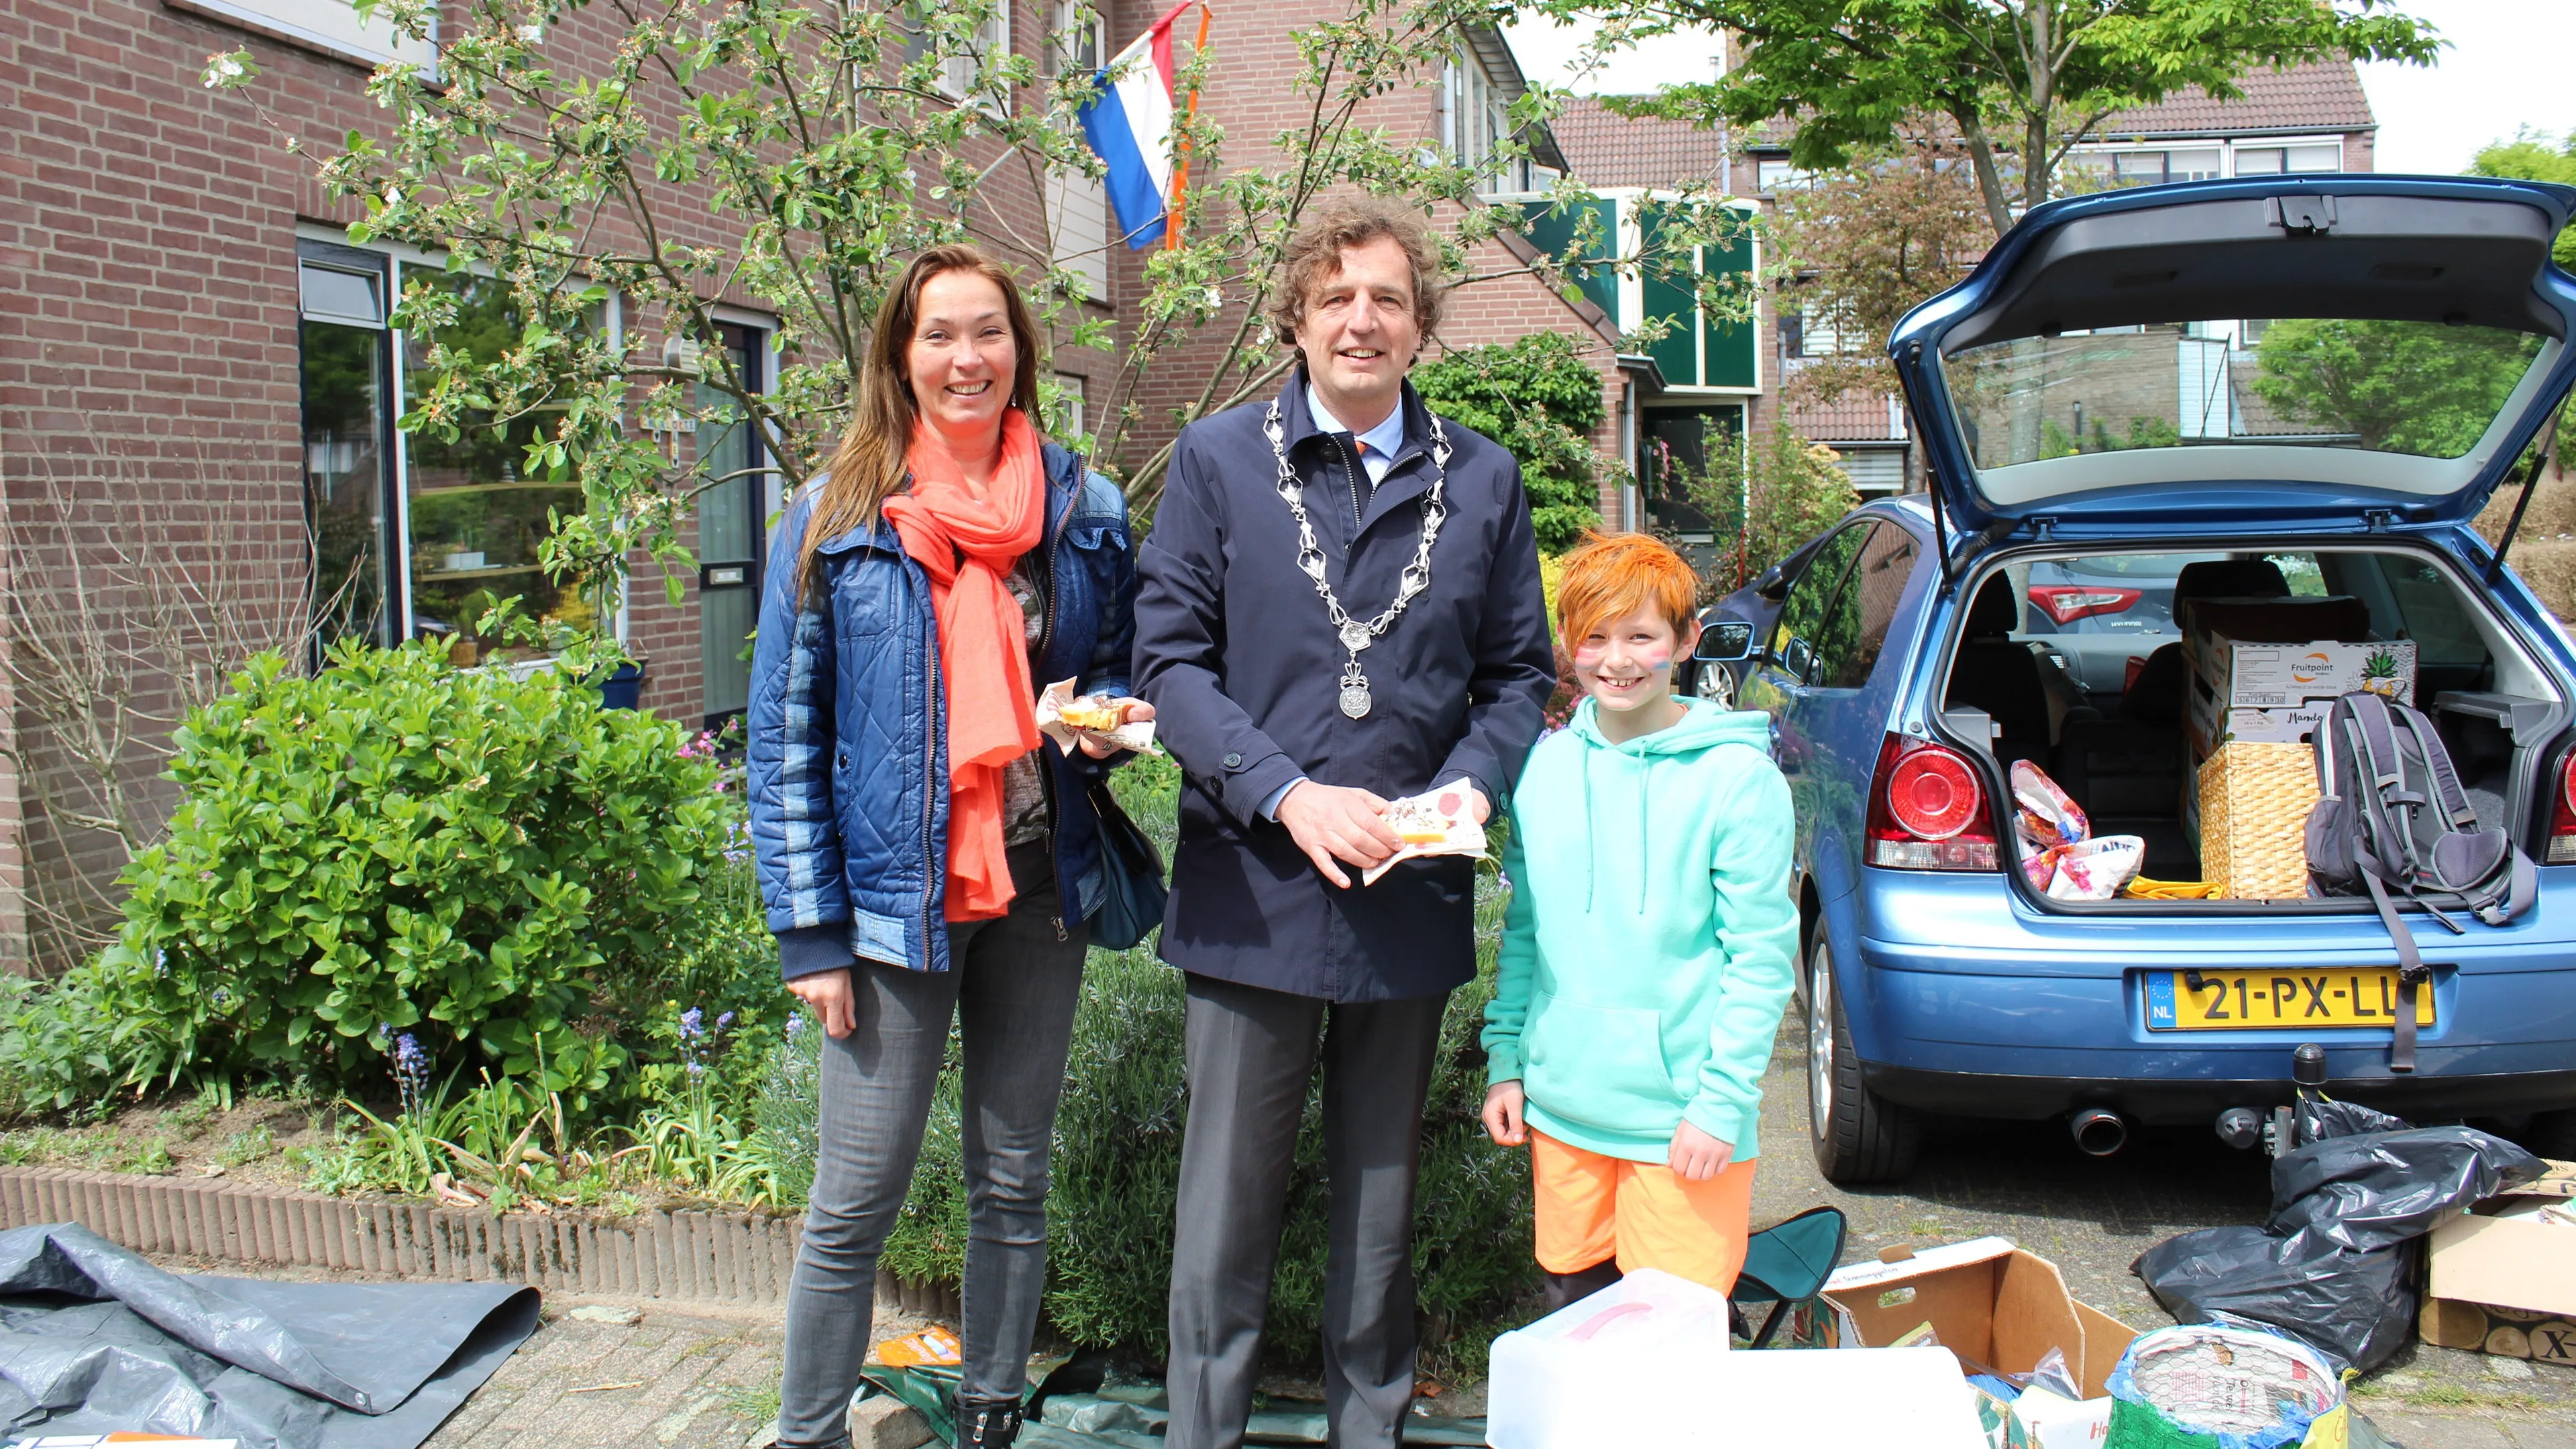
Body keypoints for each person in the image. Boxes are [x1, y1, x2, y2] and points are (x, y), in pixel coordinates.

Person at [1134, 195, 1556, 1449]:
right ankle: (1202, 1434)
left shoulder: (1484, 477)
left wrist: (1472, 784)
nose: (1360, 320)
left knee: (1381, 1211)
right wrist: (1286, 790)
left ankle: (1365, 1432)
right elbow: (1168, 663)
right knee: (1224, 1214)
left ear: (1421, 326)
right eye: (1335, 299)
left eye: (1385, 298)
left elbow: (1519, 676)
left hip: (1407, 892)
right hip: (1251, 890)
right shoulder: (1217, 462)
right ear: (1298, 323)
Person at [747, 244, 1149, 1449]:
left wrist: (1112, 718)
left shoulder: (1086, 511)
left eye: (988, 332)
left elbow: (1125, 663)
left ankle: (987, 1415)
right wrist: (807, 933)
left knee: (1013, 1180)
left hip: (1039, 887)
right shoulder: (836, 521)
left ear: (1021, 351)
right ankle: (808, 1432)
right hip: (886, 910)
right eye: (939, 335)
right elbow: (785, 740)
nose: (966, 358)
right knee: (855, 1199)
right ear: (901, 356)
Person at [1478, 531, 1798, 1310]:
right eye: (1594, 636)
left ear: (1687, 641)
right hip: (1561, 1112)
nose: (1616, 660)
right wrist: (1506, 1059)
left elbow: (1761, 961)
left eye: (1642, 637)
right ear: (1567, 644)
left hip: (1684, 1127)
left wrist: (1721, 1105)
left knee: (1671, 1359)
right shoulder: (1541, 770)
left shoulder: (1740, 782)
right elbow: (1526, 932)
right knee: (1575, 1332)